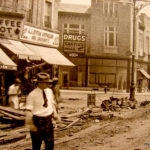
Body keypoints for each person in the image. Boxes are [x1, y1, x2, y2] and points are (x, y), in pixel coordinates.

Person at [25, 72, 60, 150]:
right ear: (39, 83)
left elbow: (51, 103)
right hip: (37, 121)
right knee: (36, 145)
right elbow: (28, 111)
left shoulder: (49, 91)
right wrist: (31, 125)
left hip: (48, 121)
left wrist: (55, 115)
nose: (48, 84)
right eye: (46, 83)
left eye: (48, 83)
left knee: (50, 145)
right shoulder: (32, 95)